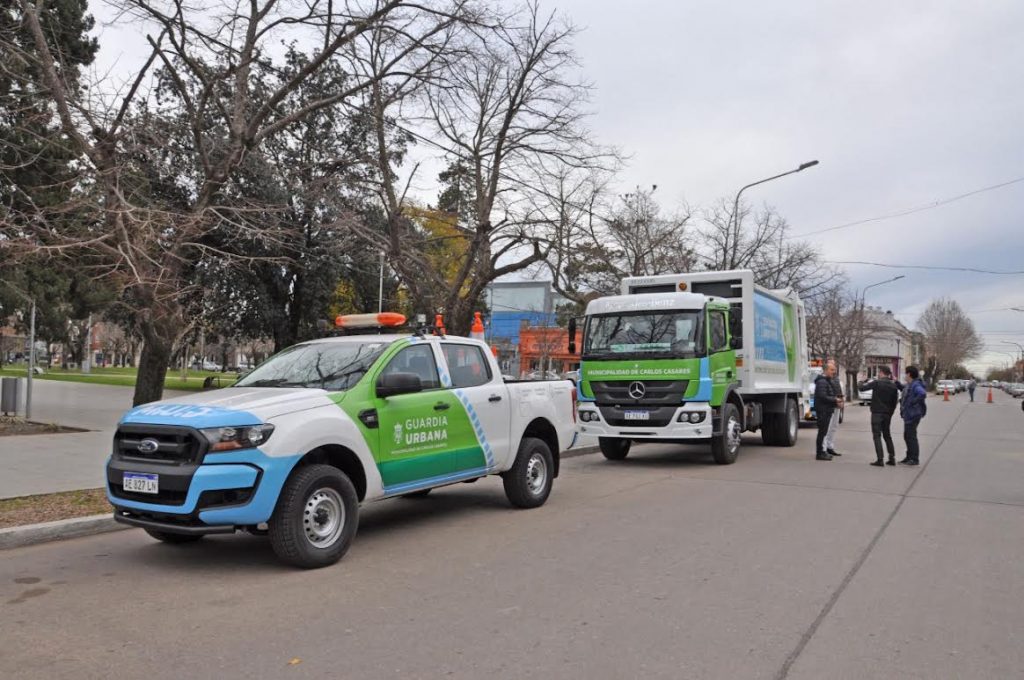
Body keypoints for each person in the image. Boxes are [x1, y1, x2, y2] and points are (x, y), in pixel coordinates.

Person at [857, 367, 904, 467]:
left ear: (882, 373)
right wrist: (890, 413)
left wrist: (861, 381)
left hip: (877, 412)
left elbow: (861, 388)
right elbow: (894, 401)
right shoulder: (893, 385)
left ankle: (880, 459)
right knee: (887, 435)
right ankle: (892, 457)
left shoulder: (877, 383)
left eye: (879, 372)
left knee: (877, 435)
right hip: (887, 413)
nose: (878, 374)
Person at [900, 365, 928, 465]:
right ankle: (909, 457)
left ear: (909, 374)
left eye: (905, 373)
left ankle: (914, 459)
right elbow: (904, 390)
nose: (904, 376)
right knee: (907, 436)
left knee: (911, 436)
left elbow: (922, 394)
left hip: (913, 414)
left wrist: (912, 402)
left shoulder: (916, 385)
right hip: (909, 414)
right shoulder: (910, 384)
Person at [814, 362, 840, 460]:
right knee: (822, 432)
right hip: (823, 410)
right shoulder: (822, 382)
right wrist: (835, 399)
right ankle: (820, 453)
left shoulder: (827, 381)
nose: (834, 372)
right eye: (832, 370)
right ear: (826, 370)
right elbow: (822, 396)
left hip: (827, 410)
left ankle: (823, 451)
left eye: (834, 370)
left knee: (824, 432)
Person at [823, 360, 844, 456]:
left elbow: (838, 391)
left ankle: (830, 446)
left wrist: (841, 401)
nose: (834, 369)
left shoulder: (836, 378)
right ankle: (824, 449)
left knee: (834, 426)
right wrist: (835, 400)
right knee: (827, 427)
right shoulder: (825, 379)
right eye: (831, 366)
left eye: (834, 366)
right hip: (829, 406)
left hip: (836, 405)